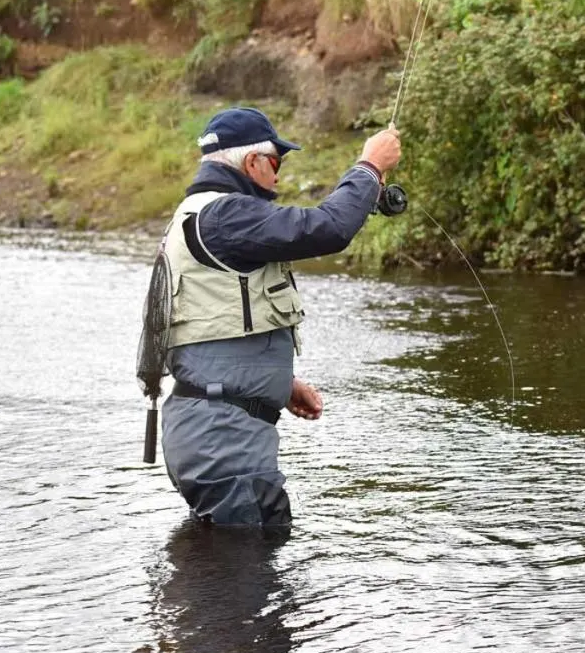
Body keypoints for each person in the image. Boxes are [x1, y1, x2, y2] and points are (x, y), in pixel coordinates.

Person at [156, 106, 401, 526]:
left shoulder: (199, 214)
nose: (278, 175)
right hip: (225, 445)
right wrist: (369, 167)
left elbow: (215, 321)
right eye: (276, 162)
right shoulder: (226, 214)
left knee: (223, 574)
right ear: (252, 162)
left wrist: (278, 384)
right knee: (243, 576)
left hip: (211, 435)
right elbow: (326, 228)